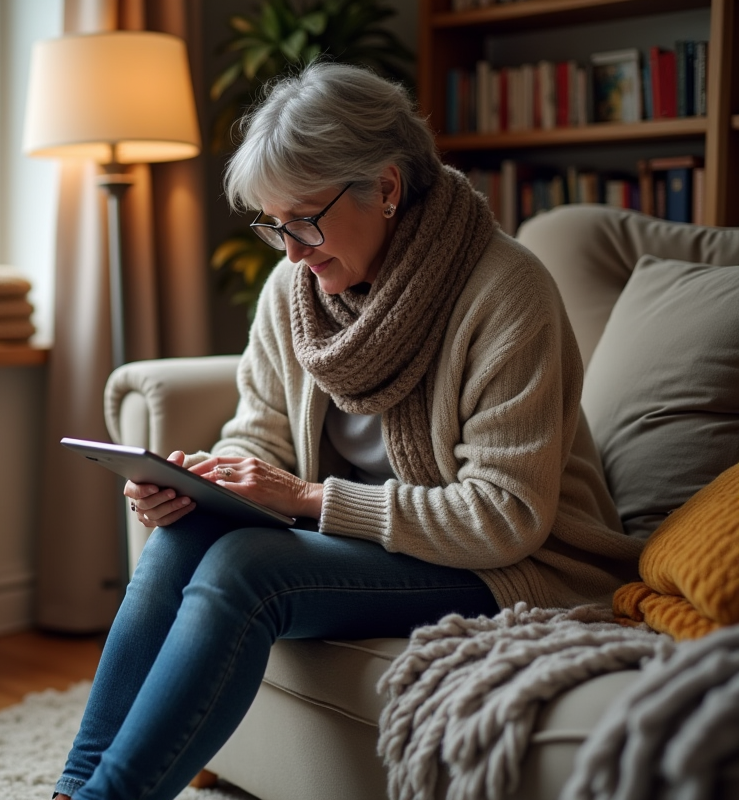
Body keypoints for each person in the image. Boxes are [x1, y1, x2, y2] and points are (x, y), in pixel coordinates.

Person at [52, 62, 643, 800]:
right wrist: (209, 479)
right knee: (185, 537)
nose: (292, 249)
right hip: (370, 547)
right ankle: (72, 792)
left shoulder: (506, 291)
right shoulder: (292, 292)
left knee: (246, 571)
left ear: (387, 188)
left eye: (304, 219)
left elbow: (505, 518)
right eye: (274, 226)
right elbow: (258, 434)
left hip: (510, 565)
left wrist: (301, 496)